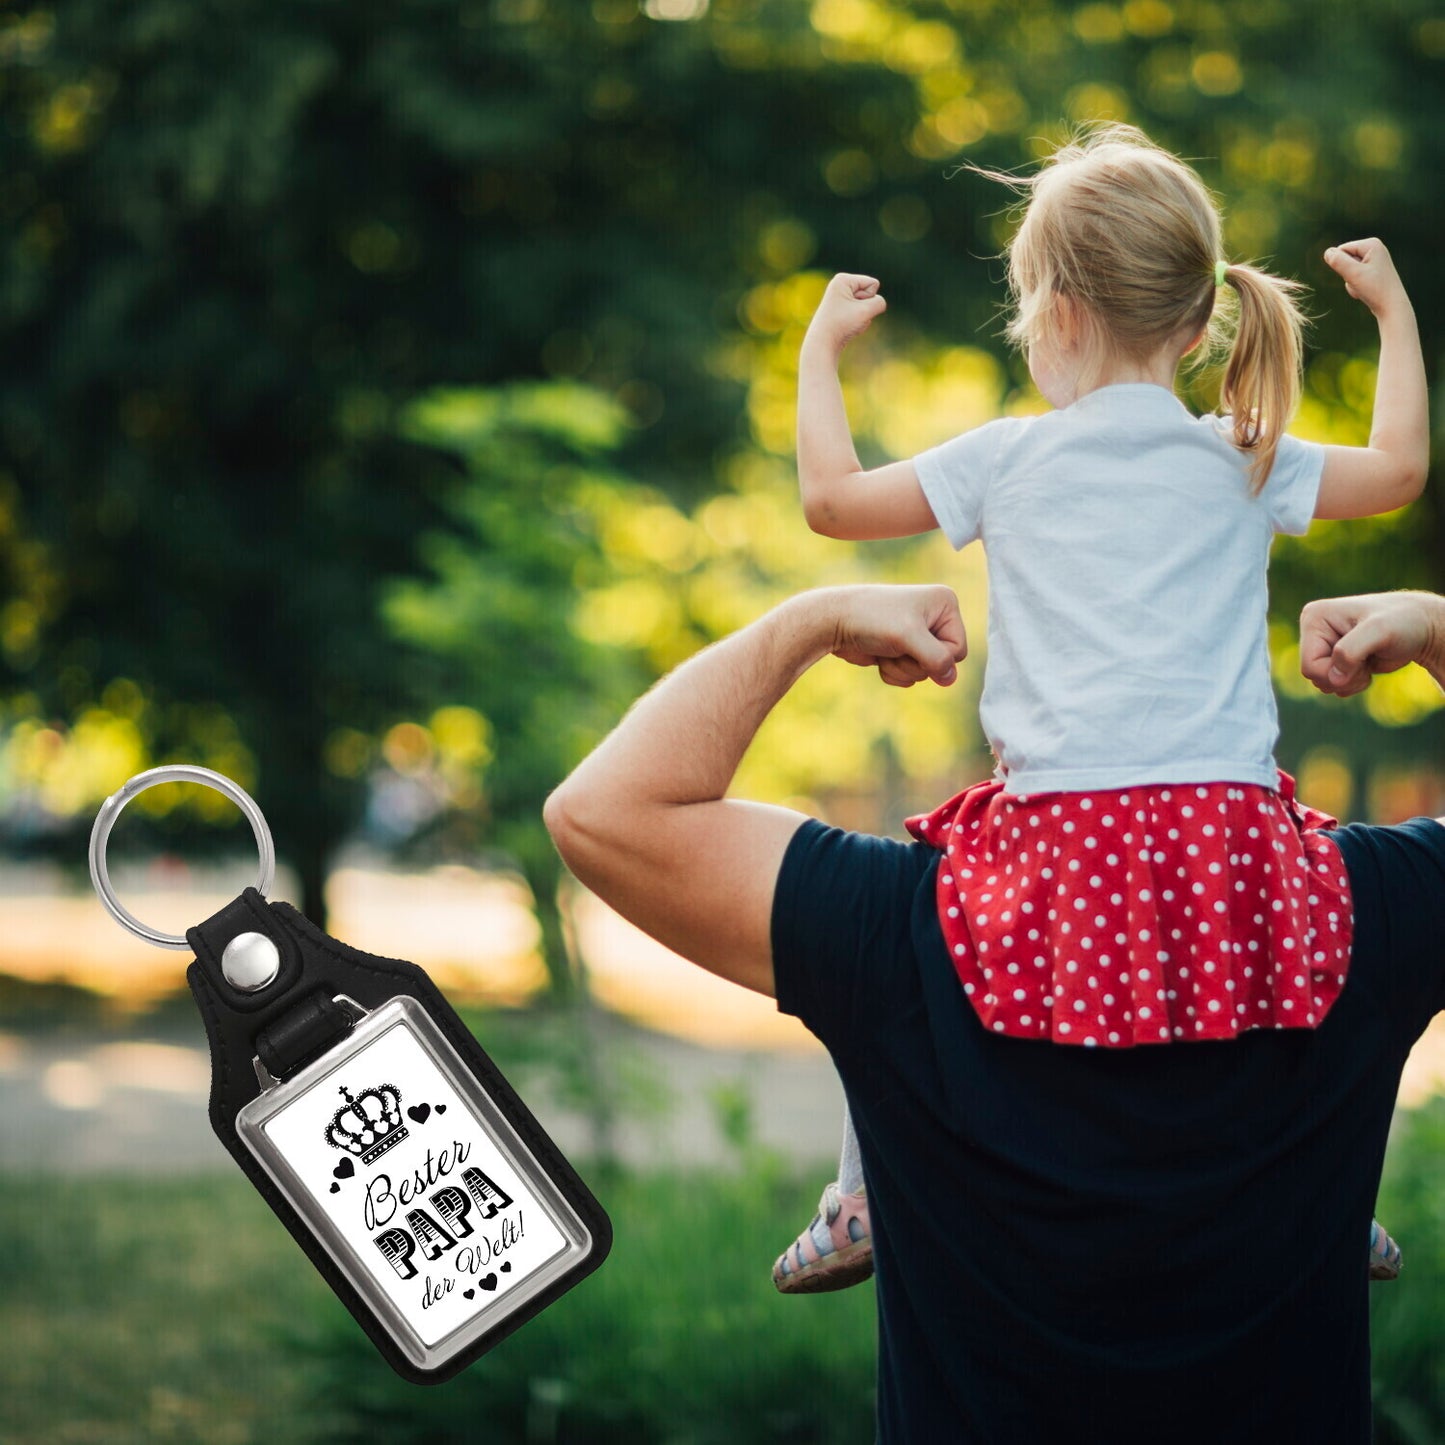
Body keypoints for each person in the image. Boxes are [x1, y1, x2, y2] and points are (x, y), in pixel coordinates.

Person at [544, 584, 1445, 1443]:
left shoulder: (904, 923)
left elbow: (604, 811)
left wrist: (807, 624)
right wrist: (1437, 629)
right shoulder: (1355, 911)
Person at [777, 123, 1427, 1292]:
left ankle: (861, 1198)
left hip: (1056, 833)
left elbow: (829, 500)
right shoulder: (1244, 451)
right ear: (1195, 322)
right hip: (1227, 829)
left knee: (888, 938)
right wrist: (1392, 318)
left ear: (1054, 315)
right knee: (1321, 949)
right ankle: (1337, 1197)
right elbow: (1396, 469)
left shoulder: (1004, 459)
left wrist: (817, 349)